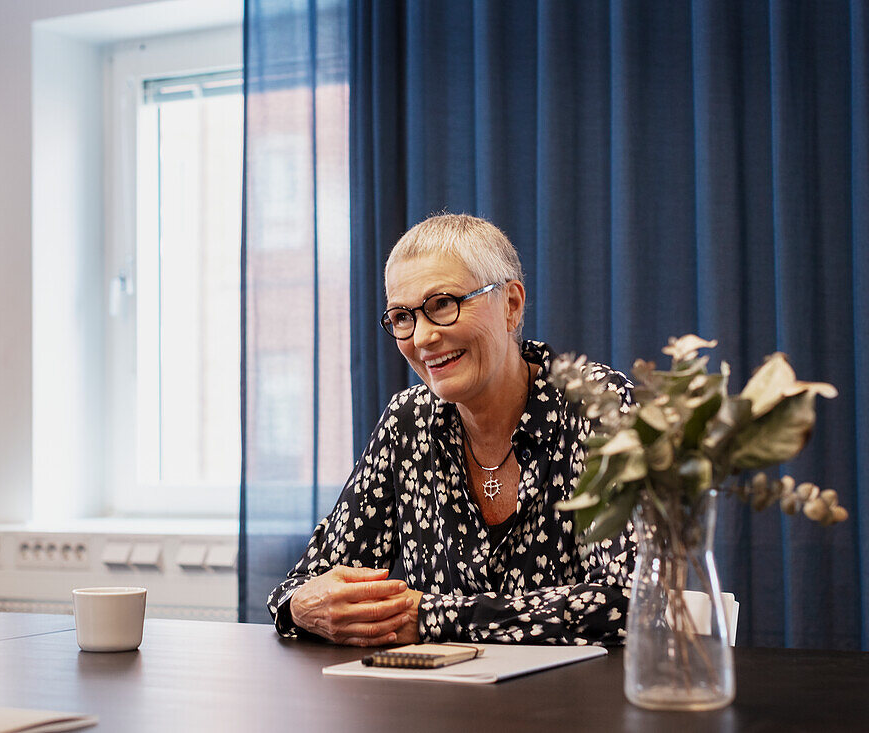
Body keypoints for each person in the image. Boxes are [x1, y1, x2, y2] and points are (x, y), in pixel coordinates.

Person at [267, 214, 634, 646]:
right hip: (438, 707)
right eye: (402, 317)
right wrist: (304, 607)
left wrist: (430, 617)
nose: (422, 337)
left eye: (442, 304)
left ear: (511, 304)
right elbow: (308, 583)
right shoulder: (408, 420)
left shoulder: (596, 405)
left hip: (576, 705)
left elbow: (626, 603)